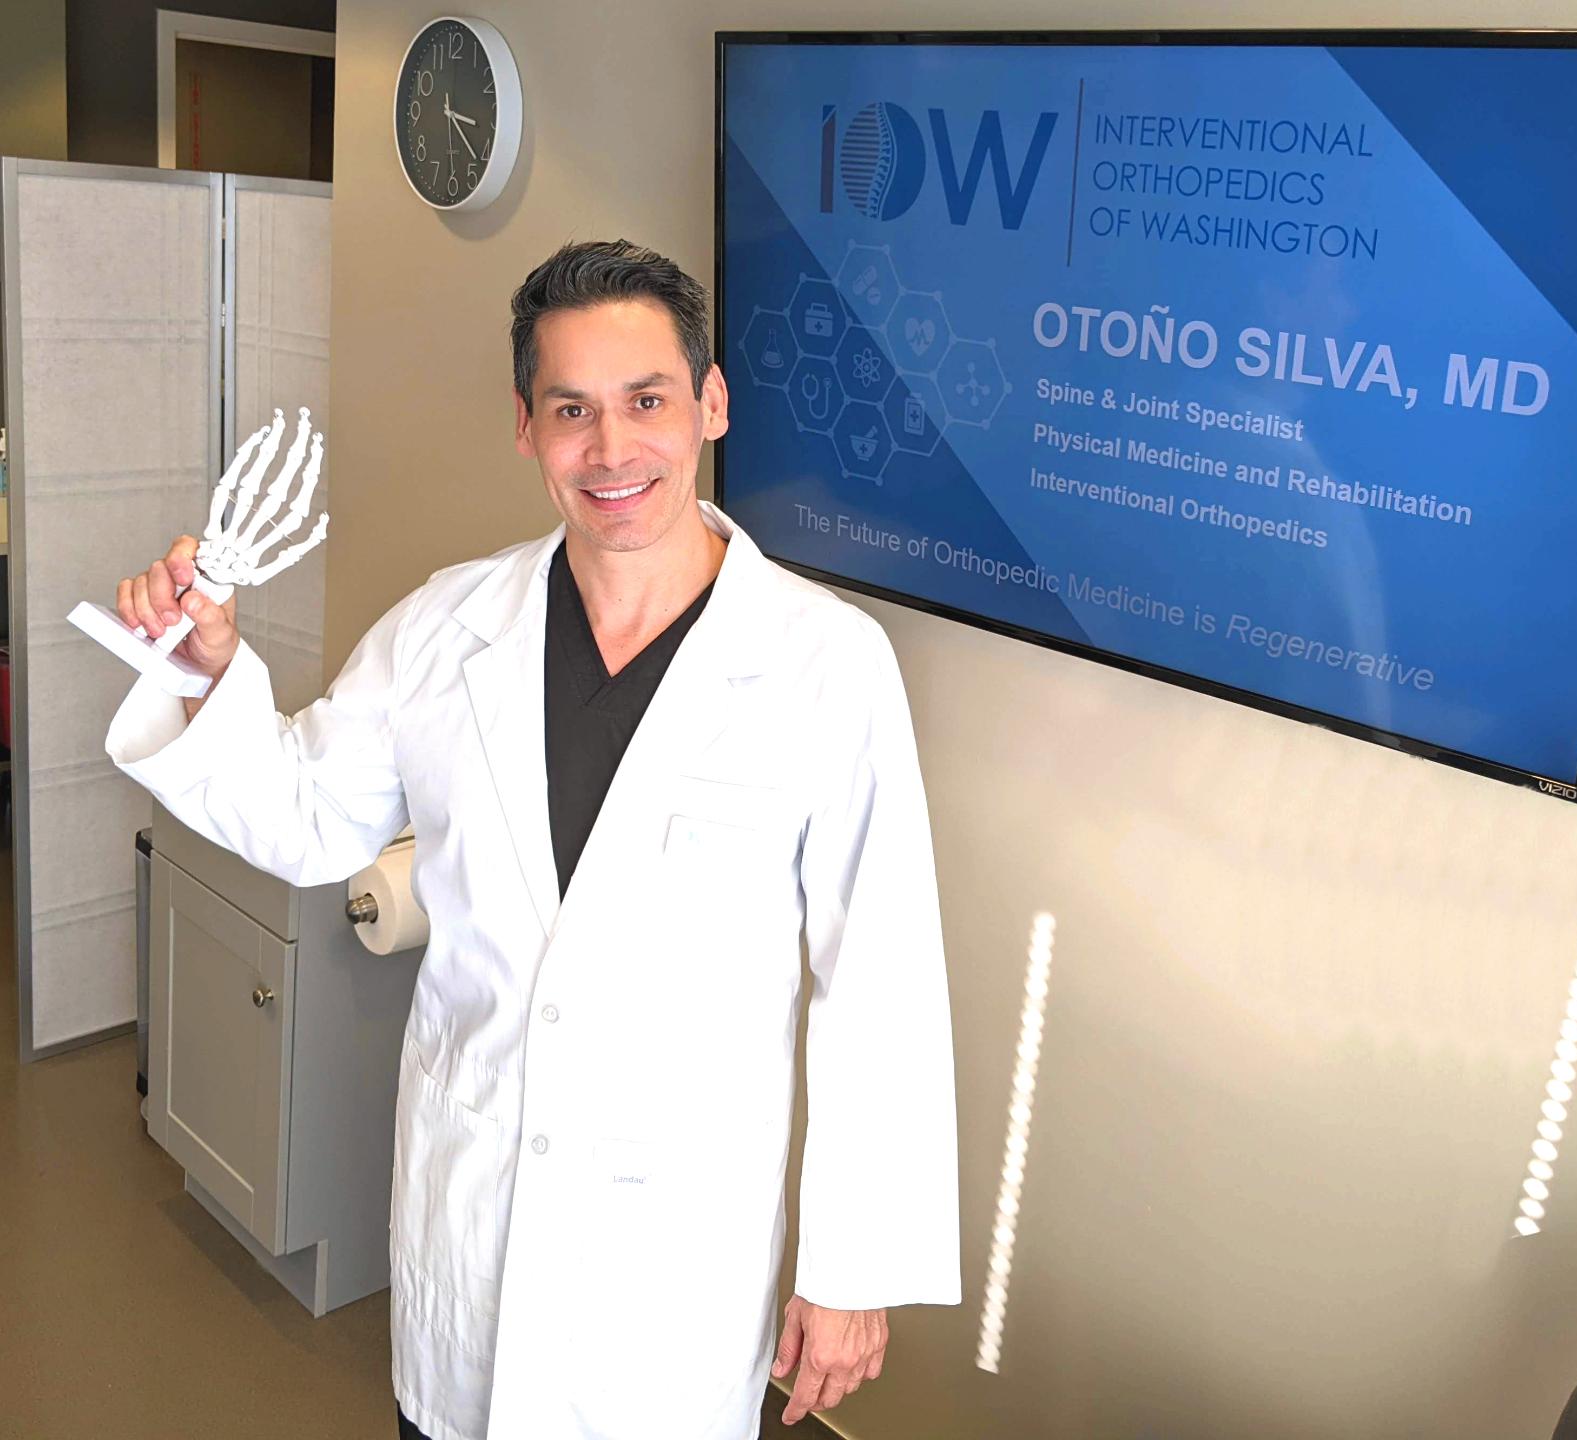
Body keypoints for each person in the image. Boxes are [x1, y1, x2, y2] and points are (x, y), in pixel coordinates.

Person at [106, 240, 961, 1440]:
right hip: (472, 1233)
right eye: (571, 410)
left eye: (647, 401)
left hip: (671, 1275)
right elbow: (306, 815)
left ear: (711, 404)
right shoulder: (446, 625)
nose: (611, 450)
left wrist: (852, 1269)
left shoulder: (826, 665)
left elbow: (881, 979)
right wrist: (206, 672)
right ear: (526, 427)